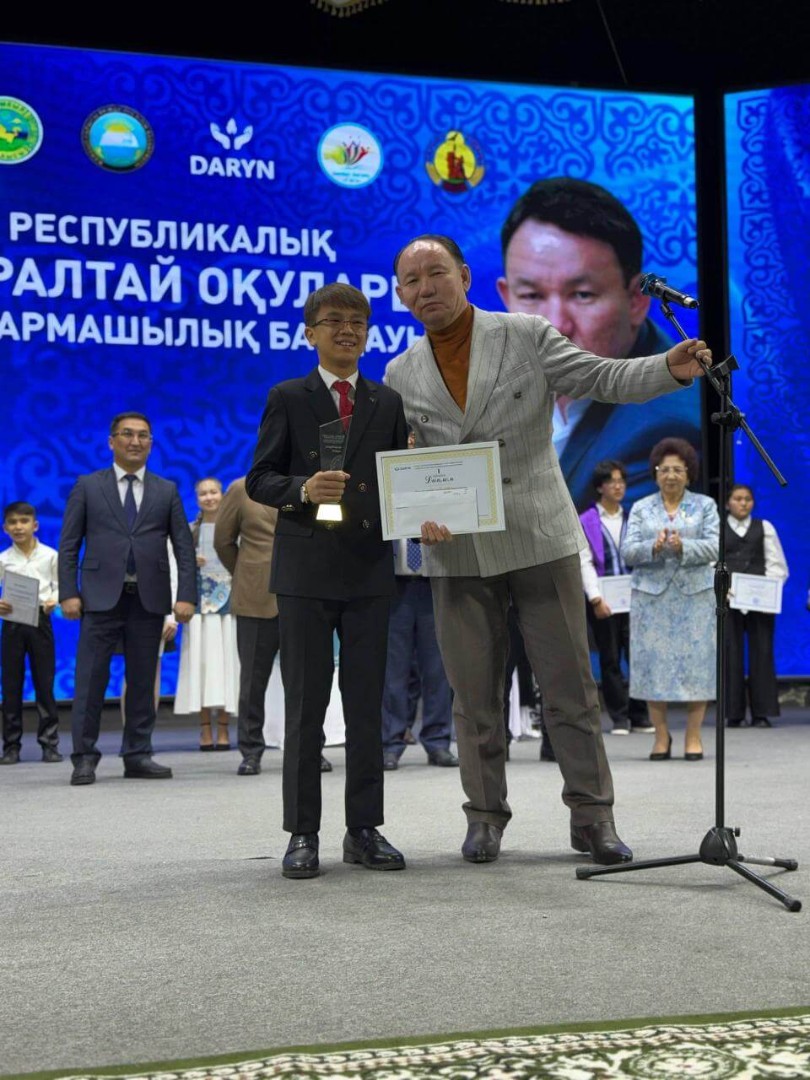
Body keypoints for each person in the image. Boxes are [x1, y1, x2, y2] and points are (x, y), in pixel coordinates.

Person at [385, 234, 712, 865]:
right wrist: (417, 517)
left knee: (570, 690)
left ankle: (592, 818)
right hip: (458, 552)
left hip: (538, 534)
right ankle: (484, 817)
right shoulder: (401, 372)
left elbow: (600, 375)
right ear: (400, 295)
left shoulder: (525, 334)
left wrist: (666, 368)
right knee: (473, 699)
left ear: (465, 276)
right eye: (411, 281)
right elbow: (407, 462)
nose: (425, 288)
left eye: (436, 273)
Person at [246, 282, 409, 879]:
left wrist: (425, 514)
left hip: (368, 568)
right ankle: (302, 832)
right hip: (306, 570)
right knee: (305, 708)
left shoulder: (386, 401)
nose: (348, 331)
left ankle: (364, 830)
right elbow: (260, 479)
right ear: (310, 332)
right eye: (334, 321)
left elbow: (399, 480)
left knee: (366, 708)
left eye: (358, 322)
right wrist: (303, 489)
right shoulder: (288, 397)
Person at [496, 176, 698, 511]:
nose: (555, 325)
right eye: (531, 296)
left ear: (636, 300)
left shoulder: (664, 430)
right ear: (506, 297)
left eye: (582, 295)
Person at [59, 411, 196, 785]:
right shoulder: (88, 486)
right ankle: (84, 758)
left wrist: (186, 596)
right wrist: (68, 592)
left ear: (151, 443)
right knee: (90, 681)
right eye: (127, 434)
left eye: (143, 435)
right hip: (98, 598)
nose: (136, 441)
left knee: (142, 681)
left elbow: (184, 548)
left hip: (149, 600)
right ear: (111, 441)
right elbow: (69, 544)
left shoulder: (167, 490)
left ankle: (137, 754)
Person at [621, 438, 719, 761]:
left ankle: (693, 736)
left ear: (689, 474)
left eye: (678, 469)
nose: (671, 475)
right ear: (655, 473)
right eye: (664, 469)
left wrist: (683, 547)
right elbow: (627, 551)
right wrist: (653, 546)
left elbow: (715, 547)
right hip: (652, 601)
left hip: (695, 599)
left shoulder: (705, 506)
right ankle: (661, 737)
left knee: (697, 668)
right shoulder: (641, 508)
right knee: (652, 669)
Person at [213, 474, 282, 775]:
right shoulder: (242, 488)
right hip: (255, 595)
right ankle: (251, 750)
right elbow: (222, 541)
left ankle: (310, 747)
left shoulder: (307, 483)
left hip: (302, 595)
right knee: (253, 680)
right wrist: (245, 571)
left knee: (306, 681)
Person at [578, 460, 653, 735]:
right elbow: (584, 561)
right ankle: (619, 717)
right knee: (610, 659)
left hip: (634, 598)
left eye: (621, 481)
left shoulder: (633, 518)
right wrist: (595, 598)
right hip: (604, 599)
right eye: (612, 482)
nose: (618, 486)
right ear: (600, 487)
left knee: (638, 657)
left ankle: (640, 715)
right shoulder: (586, 520)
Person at [381, 537, 457, 771]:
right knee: (392, 672)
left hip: (434, 581)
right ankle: (390, 743)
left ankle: (438, 742)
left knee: (438, 671)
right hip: (393, 584)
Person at [174, 477, 237, 750]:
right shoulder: (190, 531)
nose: (209, 497)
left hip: (229, 609)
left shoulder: (235, 530)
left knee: (226, 668)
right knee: (200, 667)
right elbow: (176, 568)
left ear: (222, 495)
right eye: (203, 494)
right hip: (198, 609)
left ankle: (223, 729)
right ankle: (204, 730)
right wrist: (189, 560)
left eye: (213, 492)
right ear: (197, 499)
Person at [0, 501, 62, 764]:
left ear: (34, 525)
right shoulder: (3, 559)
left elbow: (60, 586)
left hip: (40, 620)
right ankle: (11, 746)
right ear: (5, 528)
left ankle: (49, 743)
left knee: (44, 684)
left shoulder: (50, 555)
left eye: (24, 521)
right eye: (12, 522)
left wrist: (54, 600)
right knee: (11, 685)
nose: (18, 527)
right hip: (13, 622)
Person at [725, 483, 789, 728]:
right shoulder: (718, 530)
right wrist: (722, 588)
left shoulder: (765, 528)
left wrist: (767, 590)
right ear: (728, 503)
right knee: (730, 654)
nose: (743, 503)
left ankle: (762, 712)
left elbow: (777, 564)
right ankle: (733, 712)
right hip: (728, 601)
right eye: (738, 499)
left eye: (747, 499)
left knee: (762, 653)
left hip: (760, 602)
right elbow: (711, 563)